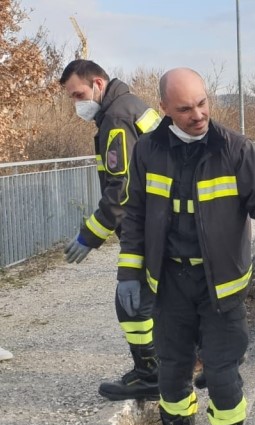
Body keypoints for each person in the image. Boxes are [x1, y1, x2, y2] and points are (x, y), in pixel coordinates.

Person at [116, 67, 255, 425]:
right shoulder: (147, 150)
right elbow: (136, 216)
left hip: (220, 287)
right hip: (170, 285)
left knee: (223, 377)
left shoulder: (235, 149)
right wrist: (129, 272)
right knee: (172, 376)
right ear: (164, 108)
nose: (198, 114)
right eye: (185, 108)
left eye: (202, 103)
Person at [59, 60, 162, 401]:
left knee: (130, 304)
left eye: (79, 94)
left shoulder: (117, 119)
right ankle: (166, 365)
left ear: (98, 84)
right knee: (155, 299)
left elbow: (121, 190)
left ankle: (151, 375)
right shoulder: (132, 105)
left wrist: (89, 235)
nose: (77, 103)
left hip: (147, 224)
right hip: (160, 219)